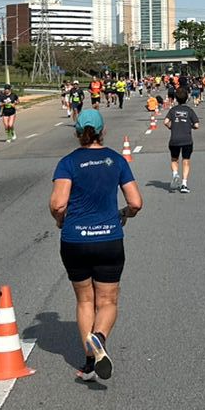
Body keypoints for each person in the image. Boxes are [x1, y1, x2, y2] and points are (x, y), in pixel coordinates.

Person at [50, 108, 142, 382]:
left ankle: (90, 362)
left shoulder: (67, 163)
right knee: (108, 301)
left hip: (75, 241)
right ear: (103, 132)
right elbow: (136, 202)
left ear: (78, 134)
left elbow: (58, 204)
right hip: (108, 240)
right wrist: (124, 214)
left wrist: (60, 221)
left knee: (85, 300)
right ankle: (99, 338)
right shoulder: (116, 160)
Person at [166, 85, 199, 193]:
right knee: (186, 161)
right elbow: (197, 125)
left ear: (176, 98)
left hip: (174, 139)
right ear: (187, 98)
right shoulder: (189, 110)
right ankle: (184, 184)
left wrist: (172, 126)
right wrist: (191, 126)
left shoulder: (173, 110)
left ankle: (175, 174)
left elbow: (165, 122)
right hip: (187, 140)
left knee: (174, 159)